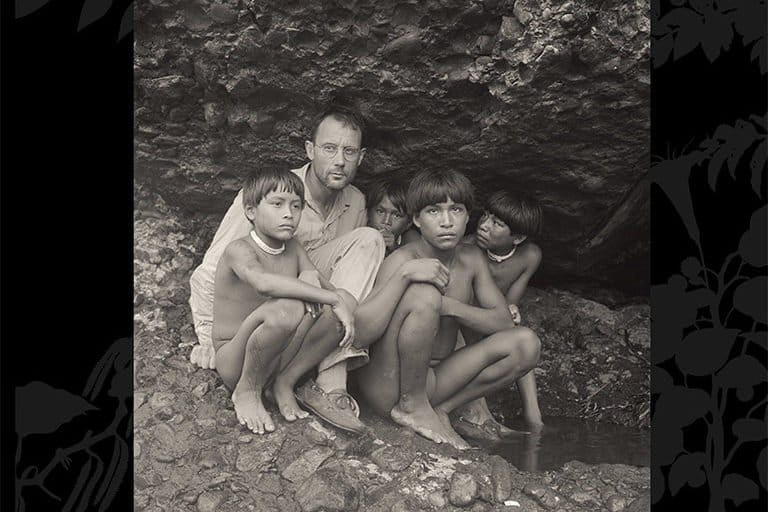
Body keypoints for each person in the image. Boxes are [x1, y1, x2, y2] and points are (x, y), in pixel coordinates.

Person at [189, 103, 385, 432]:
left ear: (361, 157)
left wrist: (334, 298)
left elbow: (331, 273)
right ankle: (258, 386)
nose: (339, 160)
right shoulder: (273, 191)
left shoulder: (356, 201)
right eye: (329, 148)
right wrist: (207, 336)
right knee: (296, 307)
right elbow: (212, 269)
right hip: (262, 313)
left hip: (296, 307)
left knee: (369, 242)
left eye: (349, 152)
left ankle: (325, 380)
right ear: (310, 150)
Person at [351, 169, 542, 449]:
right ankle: (412, 408)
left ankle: (442, 410)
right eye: (433, 211)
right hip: (390, 384)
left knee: (527, 343)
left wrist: (449, 306)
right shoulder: (404, 258)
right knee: (424, 292)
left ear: (467, 217)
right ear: (416, 220)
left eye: (456, 210)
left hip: (437, 380)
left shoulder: (471, 258)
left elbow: (503, 322)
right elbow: (360, 334)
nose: (447, 222)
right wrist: (405, 276)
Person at [213, 168, 357, 435]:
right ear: (251, 211)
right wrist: (324, 295)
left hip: (276, 355)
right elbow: (263, 283)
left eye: (296, 206)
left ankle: (282, 382)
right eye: (277, 204)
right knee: (289, 309)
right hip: (236, 359)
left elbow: (334, 294)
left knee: (345, 301)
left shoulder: (293, 246)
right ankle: (247, 390)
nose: (289, 214)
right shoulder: (239, 249)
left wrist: (321, 284)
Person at [453, 190, 544, 439]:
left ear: (518, 237)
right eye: (486, 216)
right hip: (465, 322)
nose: (483, 225)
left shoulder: (530, 256)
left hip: (494, 319)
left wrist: (512, 311)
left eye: (497, 223)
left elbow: (511, 301)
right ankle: (480, 415)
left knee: (521, 338)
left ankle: (535, 421)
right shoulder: (466, 249)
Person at [365, 177, 412, 254]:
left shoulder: (408, 248)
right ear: (368, 212)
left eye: (397, 216)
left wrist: (394, 249)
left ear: (409, 223)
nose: (386, 221)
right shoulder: (356, 236)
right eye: (380, 212)